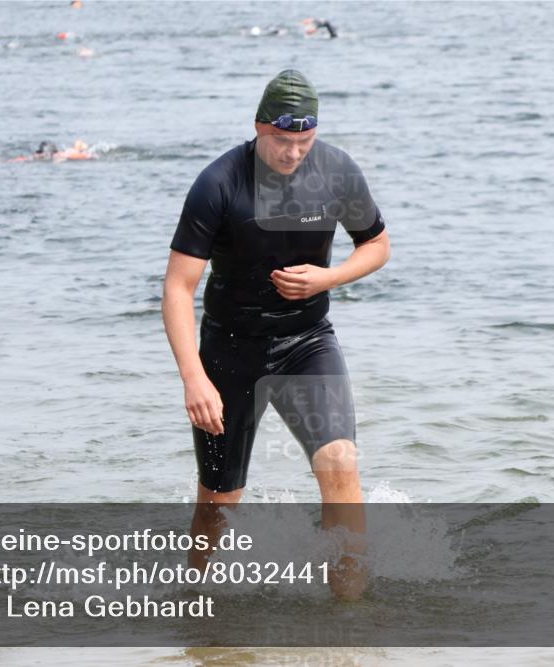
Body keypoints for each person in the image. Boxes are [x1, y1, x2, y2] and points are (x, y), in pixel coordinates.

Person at [162, 69, 389, 600]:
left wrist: (329, 278)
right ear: (259, 128)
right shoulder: (219, 183)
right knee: (221, 500)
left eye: (303, 142)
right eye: (282, 141)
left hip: (307, 342)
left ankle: (349, 623)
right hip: (230, 349)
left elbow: (377, 245)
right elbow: (177, 288)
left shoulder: (335, 171)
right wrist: (194, 379)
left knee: (340, 462)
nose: (293, 153)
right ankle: (191, 602)